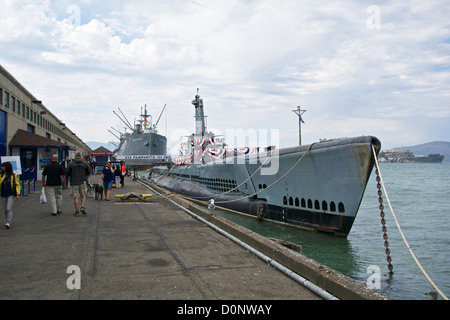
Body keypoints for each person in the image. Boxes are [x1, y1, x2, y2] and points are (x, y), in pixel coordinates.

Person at [67, 152, 91, 216]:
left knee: (75, 197)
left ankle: (77, 211)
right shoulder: (85, 163)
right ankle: (82, 206)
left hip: (74, 181)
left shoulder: (71, 164)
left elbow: (67, 172)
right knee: (83, 195)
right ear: (81, 157)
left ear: (75, 156)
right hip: (83, 181)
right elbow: (89, 171)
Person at [0, 162, 21, 229]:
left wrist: (17, 193)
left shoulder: (13, 176)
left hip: (10, 194)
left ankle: (8, 222)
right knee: (5, 209)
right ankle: (7, 220)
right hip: (3, 194)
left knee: (8, 208)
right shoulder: (1, 175)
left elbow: (17, 185)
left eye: (4, 167)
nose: (2, 168)